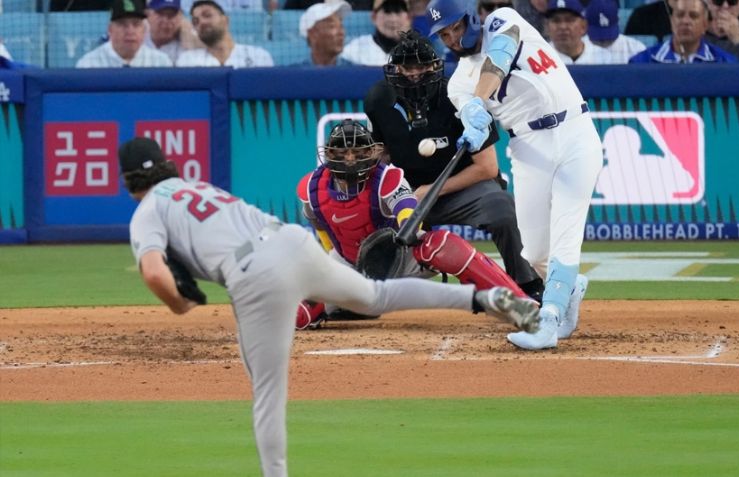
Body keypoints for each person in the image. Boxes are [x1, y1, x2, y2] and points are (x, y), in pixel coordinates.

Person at [120, 136, 538, 476]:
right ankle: (482, 299)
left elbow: (155, 275)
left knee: (268, 394)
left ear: (127, 181)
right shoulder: (197, 186)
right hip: (291, 243)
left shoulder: (146, 214)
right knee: (374, 296)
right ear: (168, 166)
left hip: (255, 273)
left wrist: (178, 303)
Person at [426, 0, 600, 350]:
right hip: (527, 147)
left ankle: (547, 320)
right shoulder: (457, 83)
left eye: (456, 27)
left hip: (574, 132)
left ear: (471, 18)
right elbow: (470, 111)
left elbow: (499, 58)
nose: (452, 38)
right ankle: (568, 287)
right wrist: (473, 121)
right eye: (444, 34)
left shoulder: (502, 20)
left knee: (566, 231)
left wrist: (478, 101)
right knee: (533, 252)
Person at [294, 119, 537, 327]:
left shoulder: (387, 178)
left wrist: (403, 235)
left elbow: (407, 211)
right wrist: (332, 260)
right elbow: (320, 227)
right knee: (300, 314)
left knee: (438, 244)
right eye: (342, 152)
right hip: (350, 265)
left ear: (372, 153)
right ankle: (354, 305)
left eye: (358, 152)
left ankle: (517, 303)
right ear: (329, 155)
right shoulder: (310, 188)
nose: (350, 159)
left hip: (398, 256)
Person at [365, 30, 546, 302]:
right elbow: (382, 156)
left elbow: (487, 168)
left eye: (421, 67)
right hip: (409, 194)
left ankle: (528, 285)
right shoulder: (378, 100)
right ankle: (364, 290)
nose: (414, 74)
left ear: (434, 66)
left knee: (502, 208)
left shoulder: (460, 97)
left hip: (461, 189)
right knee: (366, 210)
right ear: (395, 69)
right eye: (407, 67)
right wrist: (394, 193)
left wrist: (431, 190)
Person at [628, 0, 738, 63]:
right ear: (672, 22)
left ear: (705, 25)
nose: (685, 21)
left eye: (693, 16)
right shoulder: (642, 62)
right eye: (680, 15)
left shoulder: (725, 62)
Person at [176, 0, 273, 67]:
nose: (202, 22)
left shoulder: (259, 56)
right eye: (195, 21)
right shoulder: (187, 60)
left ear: (226, 20)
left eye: (207, 15)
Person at [76, 0, 172, 67]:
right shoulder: (89, 64)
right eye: (122, 24)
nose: (130, 31)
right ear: (110, 30)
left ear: (144, 30)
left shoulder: (161, 63)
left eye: (136, 24)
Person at [340, 0, 412, 65]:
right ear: (374, 17)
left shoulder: (417, 51)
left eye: (398, 12)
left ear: (409, 18)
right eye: (387, 11)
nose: (393, 19)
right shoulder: (355, 50)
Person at [583, 0, 646, 64]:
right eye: (598, 39)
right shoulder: (579, 49)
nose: (604, 40)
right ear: (585, 23)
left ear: (618, 20)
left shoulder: (636, 49)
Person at [544, 0, 606, 64]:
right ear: (547, 27)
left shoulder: (604, 58)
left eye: (569, 20)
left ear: (583, 26)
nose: (563, 27)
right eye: (556, 21)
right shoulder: (539, 58)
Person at [146, 0, 204, 65]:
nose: (165, 20)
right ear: (148, 15)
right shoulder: (140, 36)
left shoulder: (189, 43)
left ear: (181, 16)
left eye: (171, 15)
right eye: (160, 14)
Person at [298, 0, 354, 66]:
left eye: (341, 26)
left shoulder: (354, 70)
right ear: (313, 34)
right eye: (332, 26)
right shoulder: (294, 71)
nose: (341, 33)